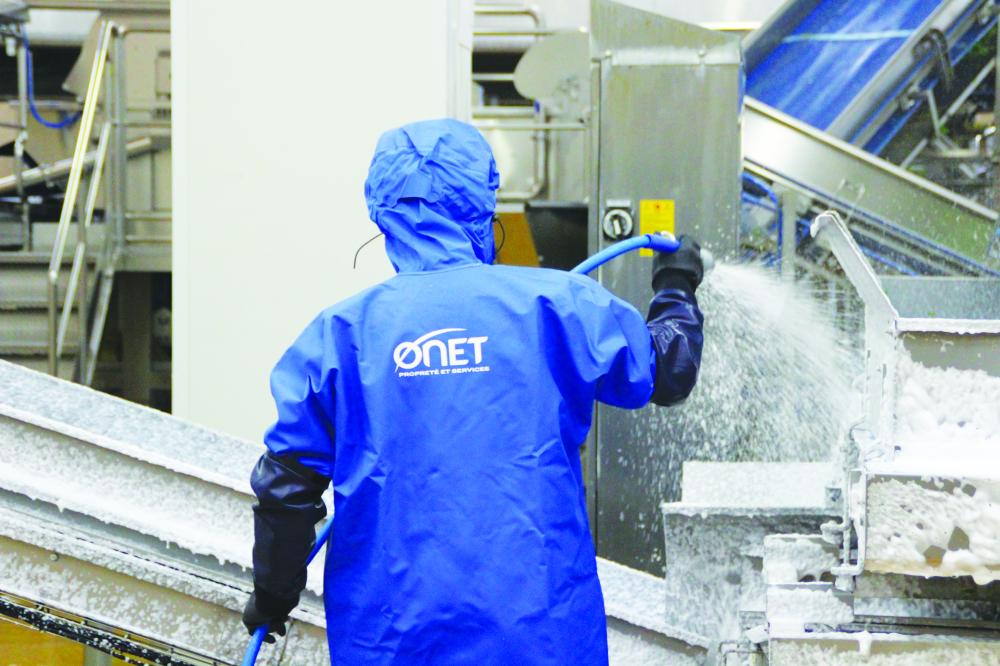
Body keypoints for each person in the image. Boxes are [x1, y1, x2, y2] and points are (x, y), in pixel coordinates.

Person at [243, 118, 705, 665]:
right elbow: (670, 367)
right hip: (541, 640)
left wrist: (272, 597)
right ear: (482, 206)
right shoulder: (558, 305)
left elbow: (287, 490)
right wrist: (676, 282)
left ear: (384, 216)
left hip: (391, 643)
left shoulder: (338, 336)